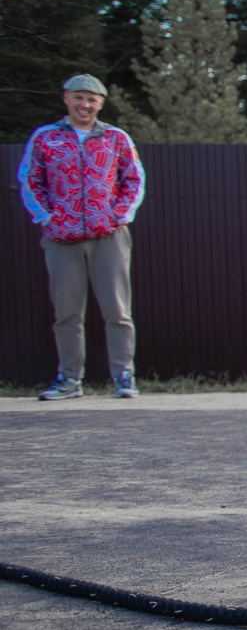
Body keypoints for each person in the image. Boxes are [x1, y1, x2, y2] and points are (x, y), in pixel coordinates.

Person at [16, 73, 143, 401]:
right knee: (67, 312)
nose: (85, 104)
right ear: (66, 99)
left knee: (117, 310)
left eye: (92, 99)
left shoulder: (116, 138)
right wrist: (47, 217)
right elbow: (30, 179)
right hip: (61, 239)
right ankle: (70, 380)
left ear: (100, 103)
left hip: (109, 237)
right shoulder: (45, 138)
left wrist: (119, 216)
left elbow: (133, 179)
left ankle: (124, 376)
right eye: (79, 98)